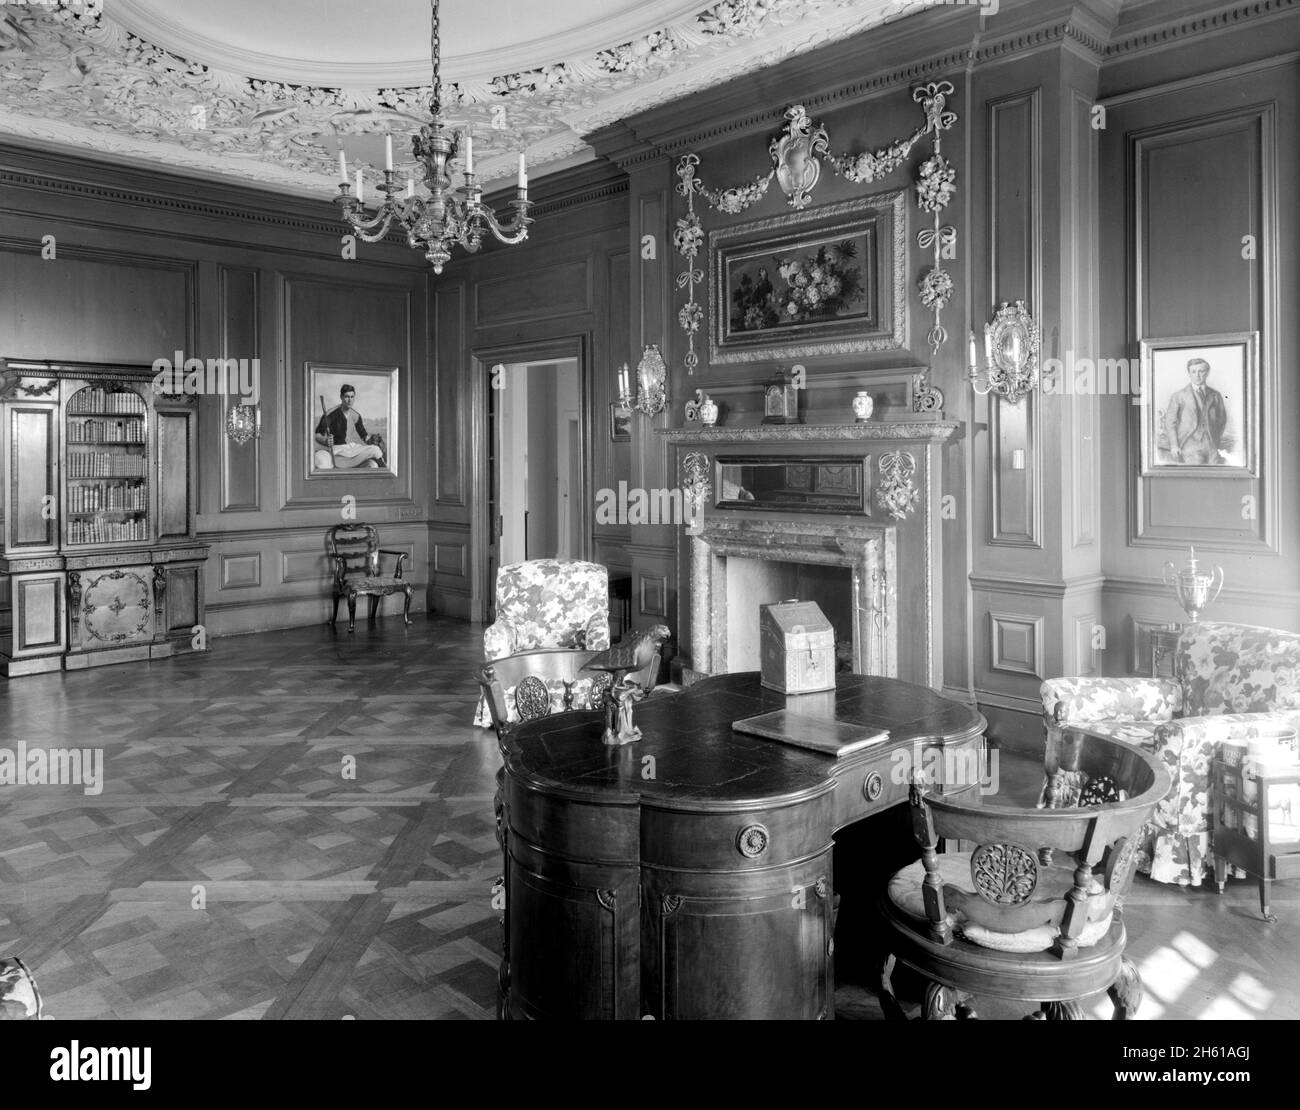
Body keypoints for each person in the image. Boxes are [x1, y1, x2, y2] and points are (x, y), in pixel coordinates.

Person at [1163, 357, 1227, 464]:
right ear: (1189, 373)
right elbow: (1170, 423)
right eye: (1193, 372)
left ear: (1207, 373)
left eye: (1201, 371)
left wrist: (1215, 437)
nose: (1197, 375)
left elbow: (1221, 419)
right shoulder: (1179, 396)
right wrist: (1174, 445)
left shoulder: (1215, 395)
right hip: (1189, 444)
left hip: (1211, 444)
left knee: (1217, 470)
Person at [314, 385, 385, 469]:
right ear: (341, 397)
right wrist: (326, 441)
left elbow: (364, 436)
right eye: (347, 397)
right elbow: (317, 435)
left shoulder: (356, 415)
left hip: (353, 450)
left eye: (352, 397)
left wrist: (373, 440)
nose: (349, 400)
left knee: (375, 450)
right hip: (338, 453)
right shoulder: (330, 415)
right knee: (375, 451)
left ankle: (385, 469)